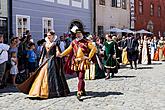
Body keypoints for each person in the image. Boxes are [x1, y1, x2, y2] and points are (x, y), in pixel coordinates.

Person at [17, 30, 70, 99]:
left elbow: (58, 53)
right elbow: (43, 54)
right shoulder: (45, 44)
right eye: (47, 35)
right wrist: (41, 61)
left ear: (53, 36)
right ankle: (37, 91)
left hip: (53, 61)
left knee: (53, 76)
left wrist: (60, 54)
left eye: (50, 35)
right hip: (46, 61)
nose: (48, 36)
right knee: (41, 75)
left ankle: (52, 91)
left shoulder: (55, 44)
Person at [60, 29, 97, 100]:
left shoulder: (87, 42)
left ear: (82, 34)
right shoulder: (74, 42)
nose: (78, 35)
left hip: (83, 62)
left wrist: (89, 56)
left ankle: (79, 92)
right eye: (77, 34)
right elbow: (68, 49)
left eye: (79, 33)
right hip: (76, 62)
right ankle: (83, 90)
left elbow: (94, 49)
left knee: (81, 77)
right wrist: (61, 55)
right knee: (79, 78)